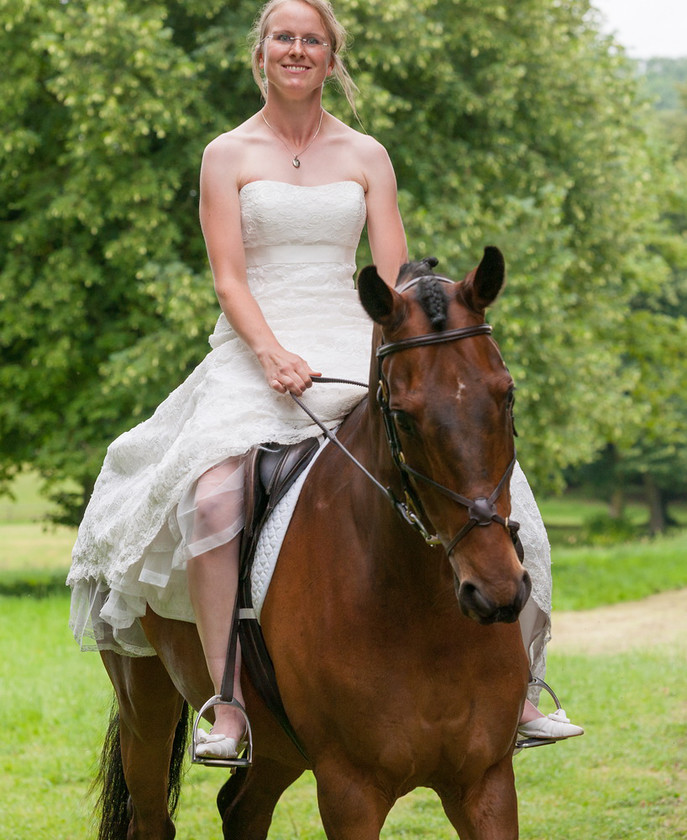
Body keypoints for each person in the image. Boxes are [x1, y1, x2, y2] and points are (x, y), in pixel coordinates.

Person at [68, 0, 581, 761]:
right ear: (262, 53)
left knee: (496, 484)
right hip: (256, 350)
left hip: (354, 343)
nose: (297, 50)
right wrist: (271, 353)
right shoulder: (226, 153)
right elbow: (229, 278)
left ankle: (524, 682)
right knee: (211, 496)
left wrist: (404, 354)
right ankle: (228, 702)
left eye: (312, 40)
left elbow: (388, 278)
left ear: (331, 57)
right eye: (284, 38)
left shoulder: (367, 155)